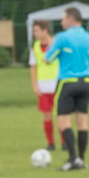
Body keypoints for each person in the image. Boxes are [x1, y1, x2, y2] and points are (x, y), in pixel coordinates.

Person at [46, 7, 89, 170]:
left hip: (67, 82)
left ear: (72, 19)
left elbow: (48, 59)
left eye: (63, 19)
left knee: (63, 122)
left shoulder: (62, 38)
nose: (61, 22)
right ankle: (81, 159)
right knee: (82, 123)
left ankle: (72, 159)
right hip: (86, 82)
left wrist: (51, 44)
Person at [28, 21, 58, 150]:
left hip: (57, 85)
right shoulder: (35, 46)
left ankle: (65, 142)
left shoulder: (57, 44)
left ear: (45, 30)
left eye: (37, 30)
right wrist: (35, 85)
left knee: (62, 116)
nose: (35, 33)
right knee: (46, 116)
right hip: (43, 87)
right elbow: (33, 67)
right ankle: (51, 143)